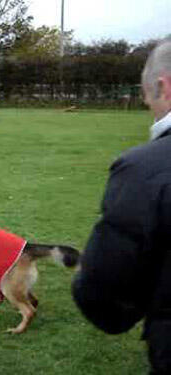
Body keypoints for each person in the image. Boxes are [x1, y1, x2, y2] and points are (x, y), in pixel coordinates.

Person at [72, 38, 171, 374]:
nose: (147, 104)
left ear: (163, 87)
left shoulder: (146, 169)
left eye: (146, 95)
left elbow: (106, 294)